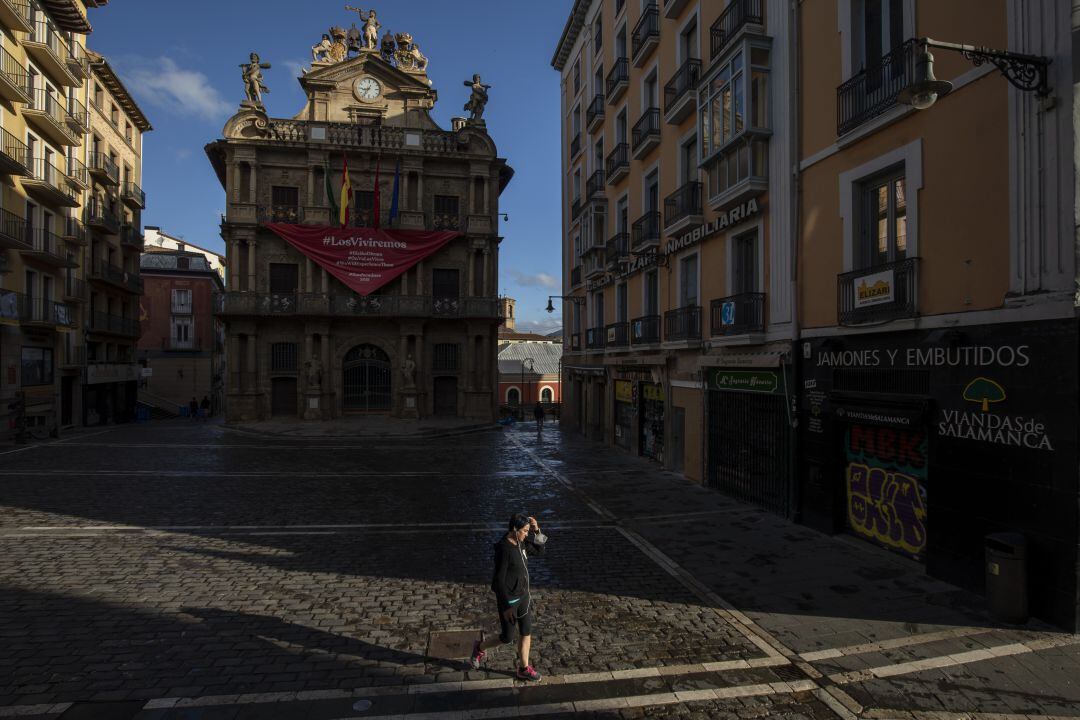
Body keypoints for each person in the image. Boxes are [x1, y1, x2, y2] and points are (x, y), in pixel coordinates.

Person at [470, 513, 547, 682]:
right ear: (514, 529)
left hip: (524, 596)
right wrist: (506, 607)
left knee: (526, 631)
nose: (527, 534)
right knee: (507, 637)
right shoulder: (504, 549)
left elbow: (540, 551)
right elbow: (497, 582)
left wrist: (537, 530)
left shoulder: (523, 543)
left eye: (528, 531)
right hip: (510, 601)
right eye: (525, 531)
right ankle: (479, 647)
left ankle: (523, 669)